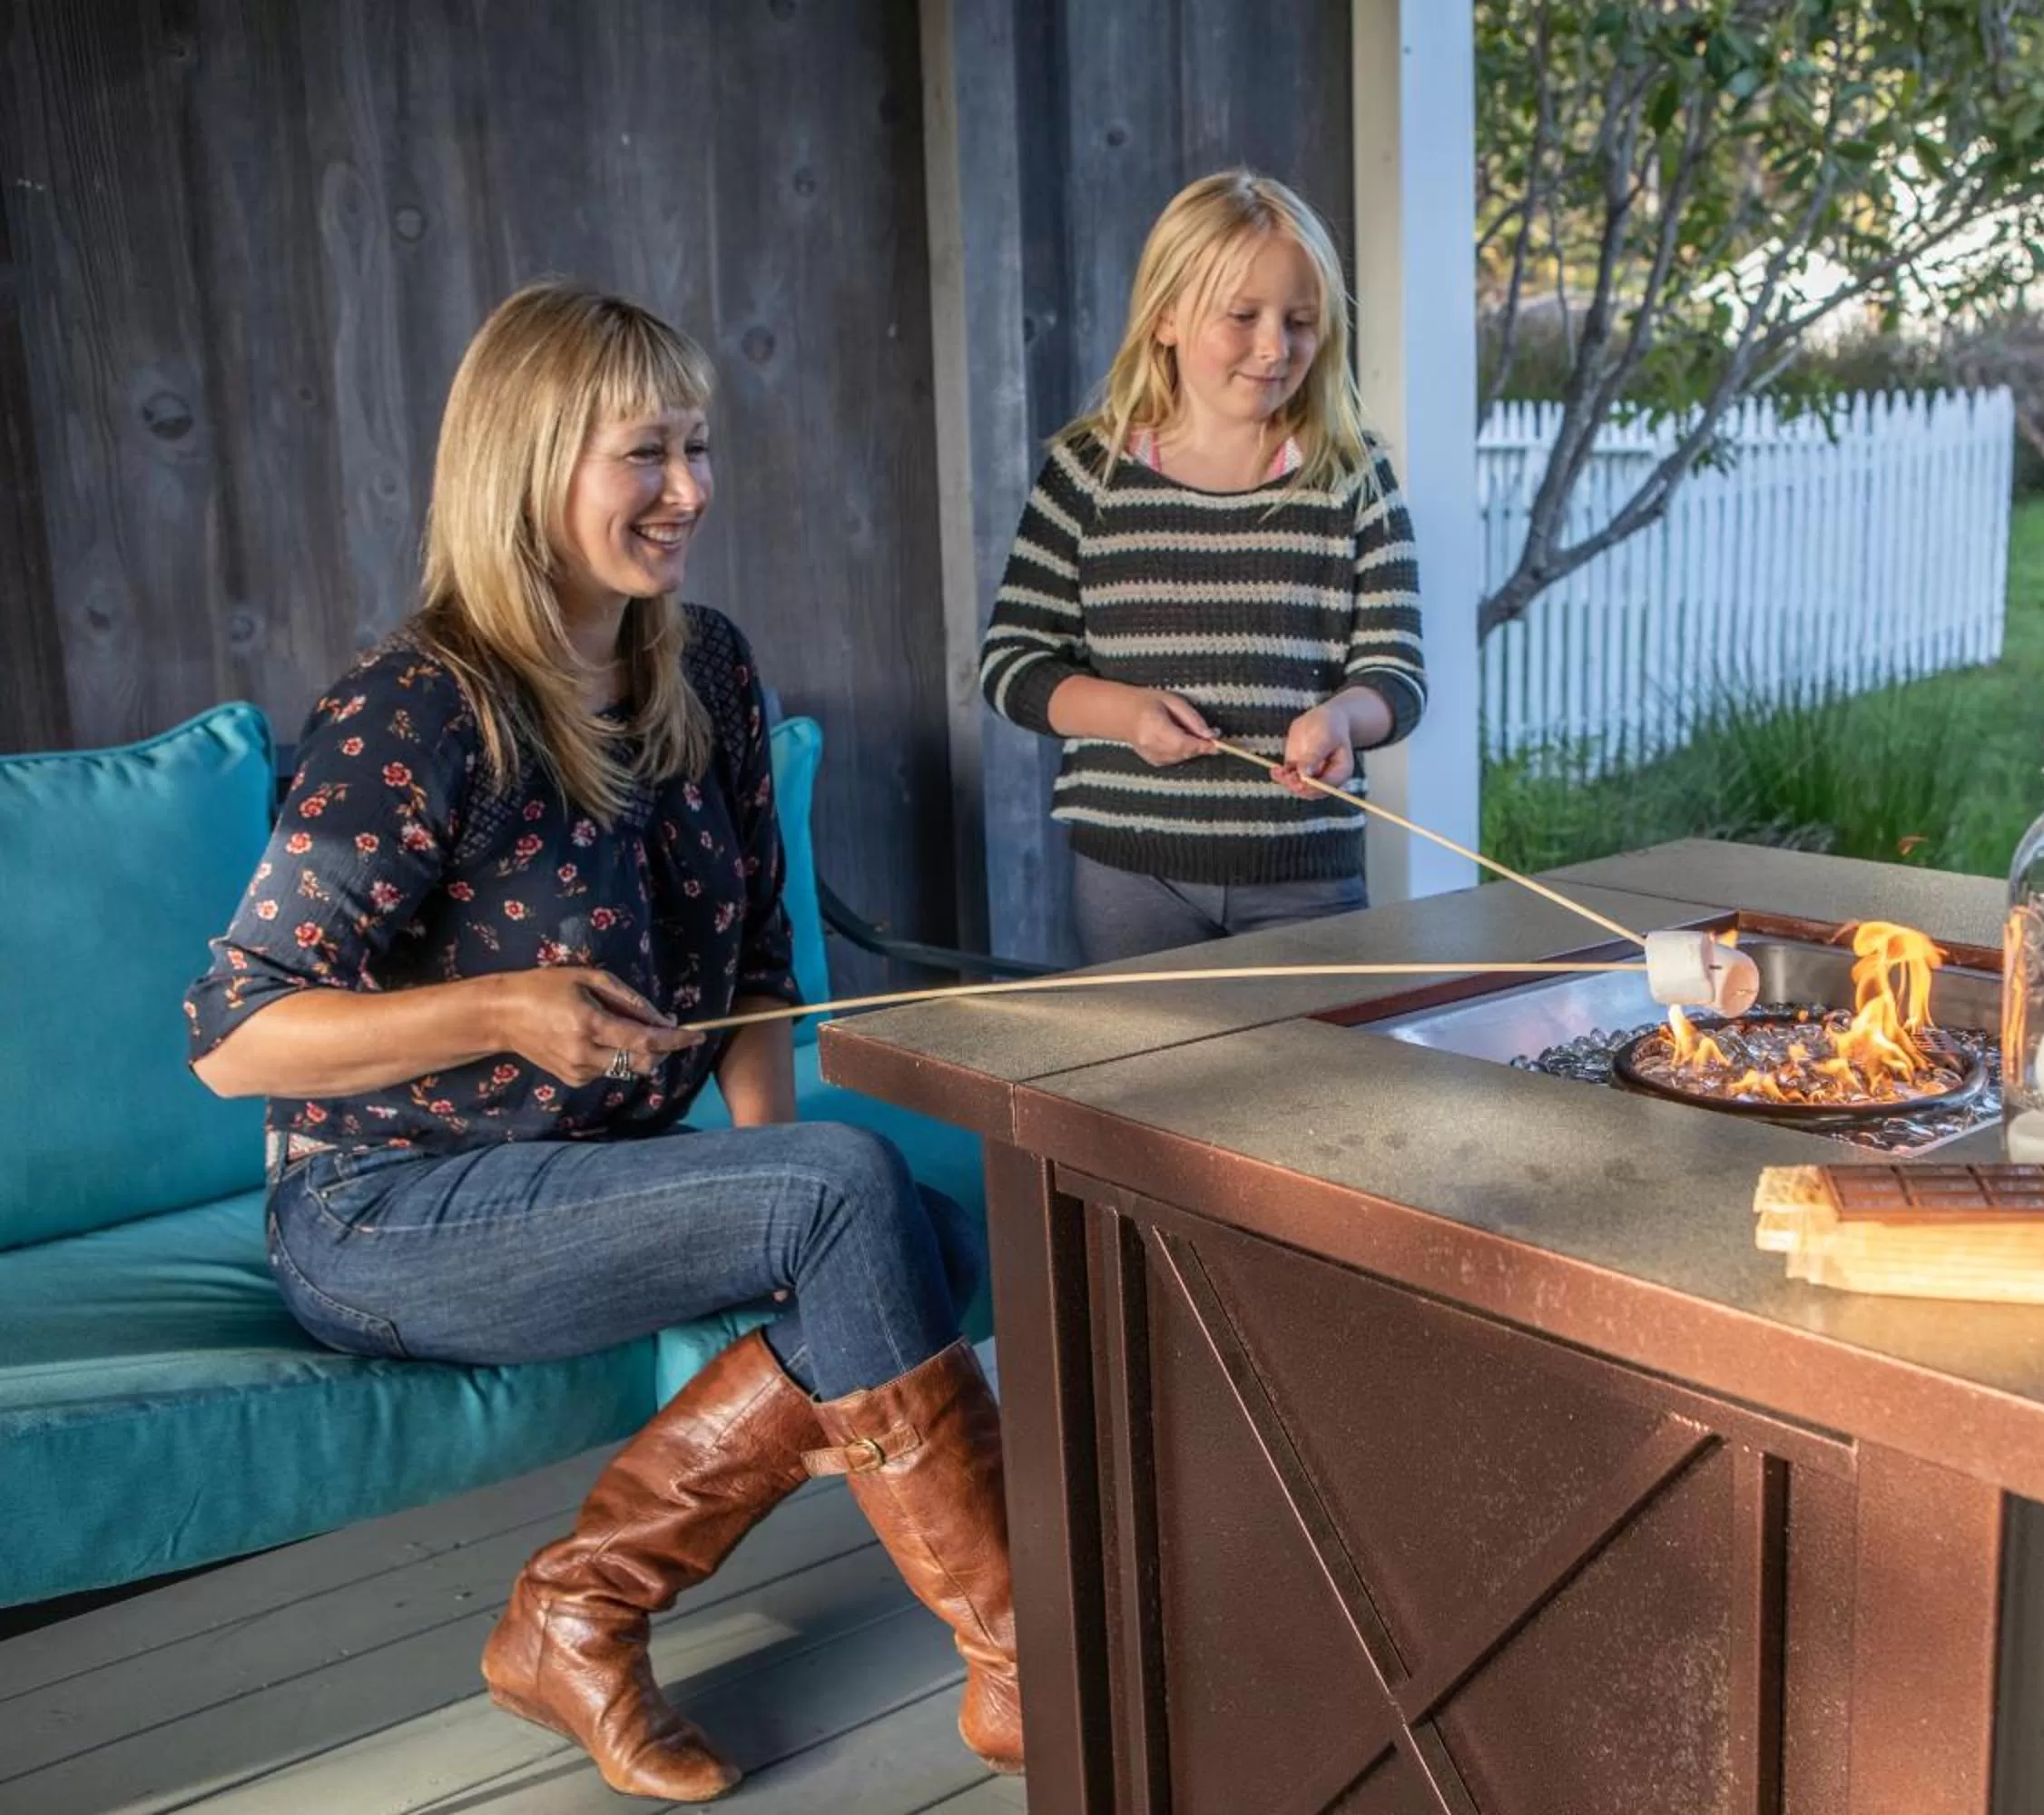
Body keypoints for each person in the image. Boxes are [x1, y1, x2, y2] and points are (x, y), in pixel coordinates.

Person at [182, 281, 1020, 1799]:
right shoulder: (417, 711)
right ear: (532, 465)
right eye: (648, 454)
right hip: (381, 1210)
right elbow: (236, 1039)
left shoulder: (706, 670)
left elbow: (763, 962)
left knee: (915, 1237)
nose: (691, 490)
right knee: (859, 1209)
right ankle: (1026, 1660)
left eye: (697, 448)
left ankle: (578, 1610)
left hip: (592, 1178)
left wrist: (786, 1204)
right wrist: (502, 1007)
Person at [978, 168, 1428, 963]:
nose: (1274, 346)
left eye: (1300, 320)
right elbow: (1012, 664)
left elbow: (1398, 677)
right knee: (1147, 1089)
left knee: (1310, 1087)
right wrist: (1123, 715)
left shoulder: (1351, 476)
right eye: (1243, 317)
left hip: (1306, 880)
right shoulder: (1090, 473)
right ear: (1166, 320)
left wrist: (1342, 720)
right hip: (1131, 875)